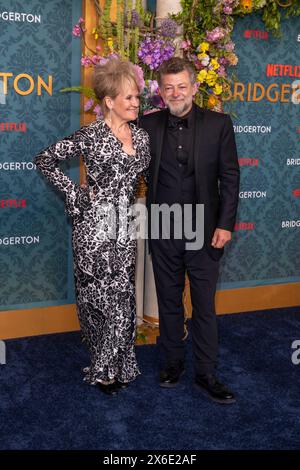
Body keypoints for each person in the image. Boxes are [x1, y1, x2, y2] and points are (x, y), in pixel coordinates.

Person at [34, 59, 151, 396]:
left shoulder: (142, 137)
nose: (134, 103)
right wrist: (76, 193)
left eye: (137, 97)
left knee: (123, 296)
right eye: (127, 98)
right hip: (93, 229)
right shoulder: (91, 134)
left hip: (125, 227)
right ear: (109, 102)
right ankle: (103, 368)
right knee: (99, 299)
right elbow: (45, 159)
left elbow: (141, 180)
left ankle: (122, 363)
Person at [139, 57, 240, 404]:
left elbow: (230, 177)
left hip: (205, 228)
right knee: (168, 301)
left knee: (204, 304)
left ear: (195, 88)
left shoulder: (219, 124)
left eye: (182, 86)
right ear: (160, 91)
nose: (175, 93)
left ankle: (206, 372)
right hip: (164, 225)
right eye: (168, 87)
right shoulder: (146, 125)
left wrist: (225, 224)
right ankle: (172, 362)